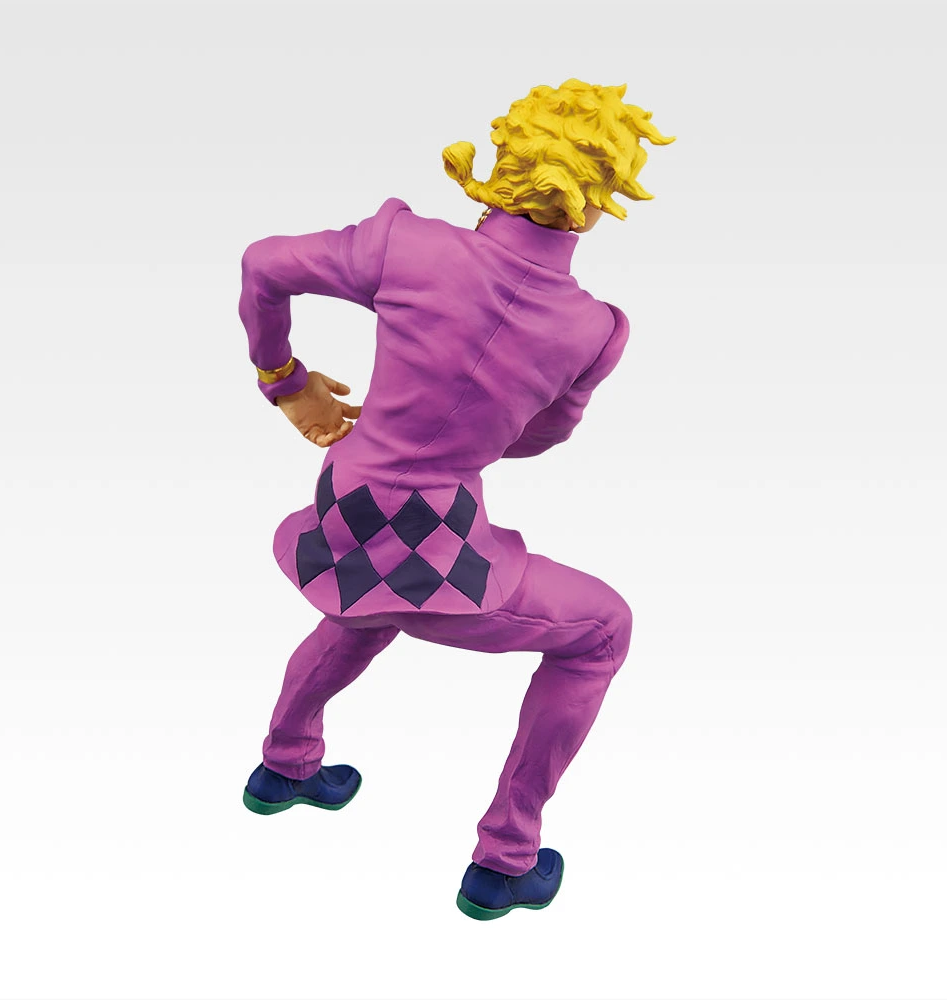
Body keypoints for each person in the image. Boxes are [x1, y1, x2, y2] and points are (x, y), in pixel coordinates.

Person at [237, 78, 674, 920]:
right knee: (602, 630)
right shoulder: (593, 331)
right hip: (434, 536)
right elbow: (538, 439)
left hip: (345, 502)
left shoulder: (407, 246)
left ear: (505, 159)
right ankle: (506, 859)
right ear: (603, 197)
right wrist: (468, 425)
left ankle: (285, 765)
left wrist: (285, 380)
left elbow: (264, 263)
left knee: (364, 604)